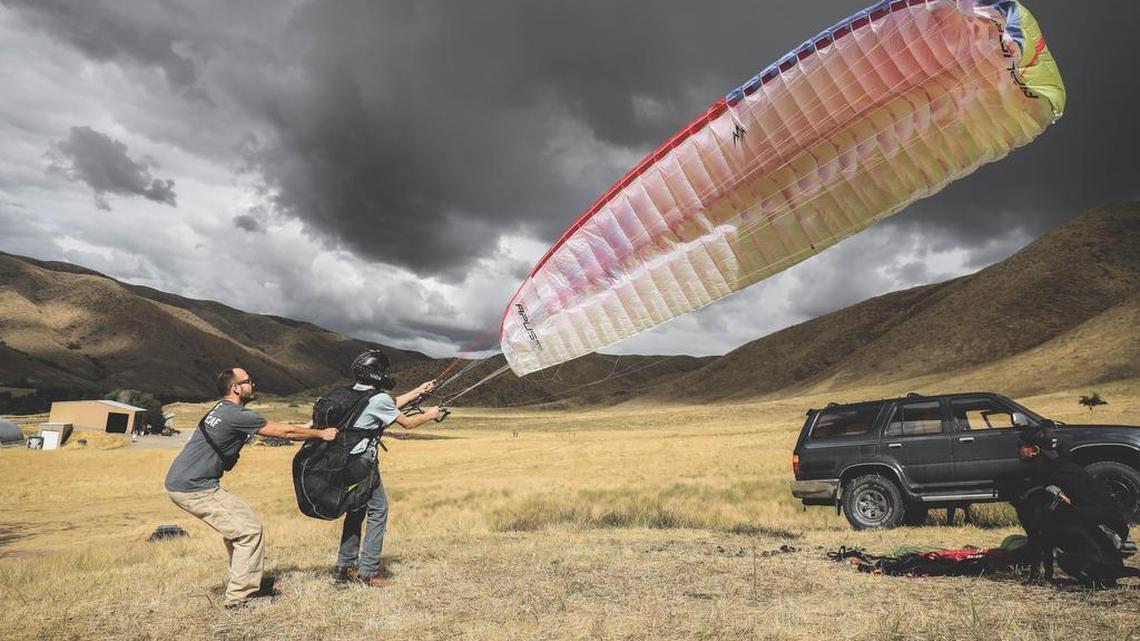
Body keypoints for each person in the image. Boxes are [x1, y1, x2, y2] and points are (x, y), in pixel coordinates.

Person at [164, 367, 338, 609]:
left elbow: (281, 427)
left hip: (186, 482)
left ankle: (246, 580)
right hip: (194, 487)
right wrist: (321, 433)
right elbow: (284, 432)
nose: (253, 385)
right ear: (236, 388)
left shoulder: (222, 410)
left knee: (239, 529)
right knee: (249, 531)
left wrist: (309, 425)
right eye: (248, 381)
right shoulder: (237, 415)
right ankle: (238, 598)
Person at [333, 349, 442, 588]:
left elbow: (389, 404)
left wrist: (418, 391)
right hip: (362, 463)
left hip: (341, 461)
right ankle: (368, 572)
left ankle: (345, 566)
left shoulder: (349, 394)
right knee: (379, 510)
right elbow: (408, 422)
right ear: (376, 374)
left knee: (356, 509)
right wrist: (431, 415)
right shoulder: (377, 399)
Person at [1016, 422, 1129, 542]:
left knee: (1046, 495)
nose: (1017, 449)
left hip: (1107, 531)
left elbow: (1090, 508)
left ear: (1034, 450)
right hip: (1095, 524)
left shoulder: (1063, 474)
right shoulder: (1054, 469)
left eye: (1020, 445)